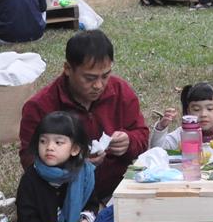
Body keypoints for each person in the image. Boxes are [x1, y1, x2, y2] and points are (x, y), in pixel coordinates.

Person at [18, 30, 149, 200]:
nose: (99, 85)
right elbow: (30, 160)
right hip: (64, 196)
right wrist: (73, 164)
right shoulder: (41, 106)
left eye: (105, 76)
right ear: (67, 69)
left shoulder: (120, 91)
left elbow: (143, 136)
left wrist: (129, 141)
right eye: (89, 78)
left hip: (117, 189)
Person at [150, 82, 213, 151]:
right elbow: (157, 150)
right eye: (196, 109)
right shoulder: (180, 134)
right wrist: (161, 127)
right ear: (188, 111)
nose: (203, 114)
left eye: (210, 108)